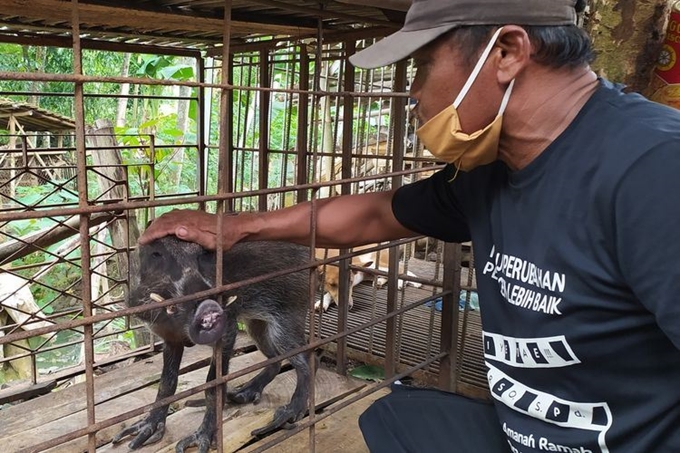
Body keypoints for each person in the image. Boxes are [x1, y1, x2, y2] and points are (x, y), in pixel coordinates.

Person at [140, 0, 680, 451]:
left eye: (422, 66)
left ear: (507, 52)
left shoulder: (653, 169)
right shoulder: (494, 170)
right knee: (392, 421)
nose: (413, 93)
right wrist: (239, 226)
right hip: (528, 434)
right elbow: (376, 213)